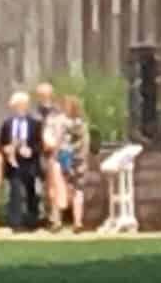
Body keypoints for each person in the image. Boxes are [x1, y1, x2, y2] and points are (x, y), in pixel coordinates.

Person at [0, 91, 41, 232]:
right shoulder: (7, 124)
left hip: (29, 164)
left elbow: (39, 145)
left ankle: (32, 221)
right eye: (18, 106)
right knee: (15, 192)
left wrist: (31, 151)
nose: (21, 108)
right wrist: (5, 149)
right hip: (13, 163)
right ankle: (15, 223)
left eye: (23, 105)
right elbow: (1, 144)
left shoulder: (34, 124)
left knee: (30, 192)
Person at [35, 83, 66, 231]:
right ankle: (43, 216)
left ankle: (56, 219)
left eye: (45, 94)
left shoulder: (57, 114)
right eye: (41, 94)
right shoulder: (34, 113)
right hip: (37, 153)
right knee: (40, 188)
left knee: (55, 187)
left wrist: (55, 150)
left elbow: (61, 134)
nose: (43, 97)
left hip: (54, 154)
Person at [60, 94, 90, 234]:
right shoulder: (81, 124)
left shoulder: (67, 125)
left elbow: (65, 145)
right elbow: (85, 145)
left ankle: (76, 221)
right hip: (75, 161)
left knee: (74, 191)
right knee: (76, 191)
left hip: (70, 161)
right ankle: (76, 221)